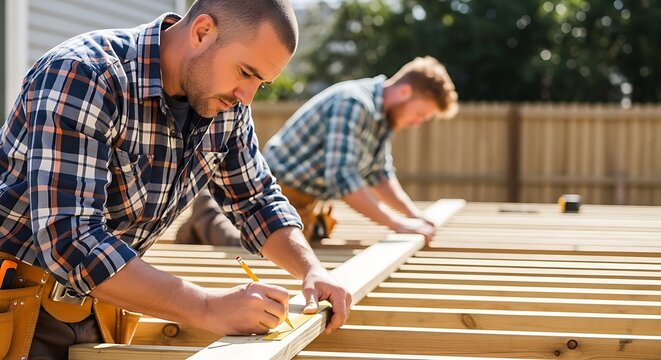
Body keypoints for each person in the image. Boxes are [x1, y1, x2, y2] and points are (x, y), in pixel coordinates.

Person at [0, 0, 351, 358]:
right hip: (11, 302)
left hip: (99, 306)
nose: (247, 95)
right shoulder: (85, 74)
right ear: (202, 32)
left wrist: (312, 269)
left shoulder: (226, 107)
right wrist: (208, 307)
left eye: (261, 82)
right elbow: (71, 239)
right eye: (246, 72)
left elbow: (256, 200)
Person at [177, 56, 458, 245]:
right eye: (420, 113)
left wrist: (414, 217)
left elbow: (381, 176)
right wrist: (397, 224)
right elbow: (343, 179)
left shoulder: (381, 119)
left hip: (301, 203)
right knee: (251, 247)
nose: (416, 123)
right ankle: (209, 212)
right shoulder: (354, 103)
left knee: (291, 247)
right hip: (269, 197)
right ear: (405, 92)